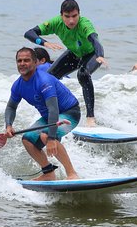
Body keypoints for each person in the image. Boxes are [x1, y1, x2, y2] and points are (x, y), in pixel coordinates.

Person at [24, 0, 108, 127]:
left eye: (74, 16)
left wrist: (100, 55)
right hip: (74, 53)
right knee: (48, 78)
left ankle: (90, 118)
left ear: (79, 14)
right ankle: (54, 113)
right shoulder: (55, 22)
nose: (71, 21)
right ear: (61, 15)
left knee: (83, 74)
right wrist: (44, 43)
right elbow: (29, 33)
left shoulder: (85, 24)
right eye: (67, 16)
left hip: (93, 54)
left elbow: (95, 40)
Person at [5, 47, 81, 181]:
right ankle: (48, 173)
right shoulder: (18, 85)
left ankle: (72, 173)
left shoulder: (44, 80)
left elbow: (53, 109)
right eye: (19, 61)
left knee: (46, 135)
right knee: (27, 139)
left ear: (35, 63)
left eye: (26, 60)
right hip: (50, 117)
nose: (22, 63)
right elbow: (11, 106)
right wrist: (8, 125)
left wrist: (51, 139)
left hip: (69, 113)